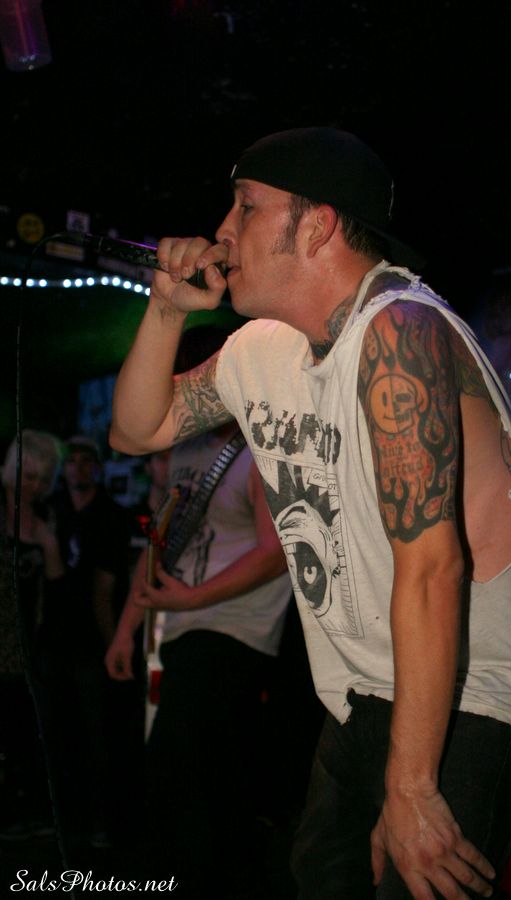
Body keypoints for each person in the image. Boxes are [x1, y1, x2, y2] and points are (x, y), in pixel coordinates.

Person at [109, 127, 511, 899]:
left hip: (481, 684)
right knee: (321, 878)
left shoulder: (400, 332)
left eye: (246, 207)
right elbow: (136, 429)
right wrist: (165, 309)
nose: (221, 231)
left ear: (317, 226)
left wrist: (412, 787)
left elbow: (433, 568)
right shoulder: (261, 349)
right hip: (368, 679)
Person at [105, 329, 292, 898]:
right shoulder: (184, 449)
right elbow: (160, 544)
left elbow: (276, 553)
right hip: (179, 627)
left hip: (233, 633)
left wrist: (189, 599)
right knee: (198, 780)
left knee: (184, 773)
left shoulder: (261, 448)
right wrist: (125, 630)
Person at [37, 434, 132, 850]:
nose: (77, 467)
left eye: (85, 460)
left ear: (96, 466)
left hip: (90, 640)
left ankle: (99, 820)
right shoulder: (51, 509)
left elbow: (105, 590)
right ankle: (62, 817)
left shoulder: (110, 515)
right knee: (55, 729)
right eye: (71, 460)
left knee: (96, 733)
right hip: (51, 637)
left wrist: (113, 643)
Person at [0, 430, 63, 839]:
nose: (34, 485)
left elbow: (57, 588)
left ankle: (24, 812)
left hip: (28, 644)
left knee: (25, 730)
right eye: (28, 475)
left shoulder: (46, 522)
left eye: (42, 478)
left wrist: (49, 545)